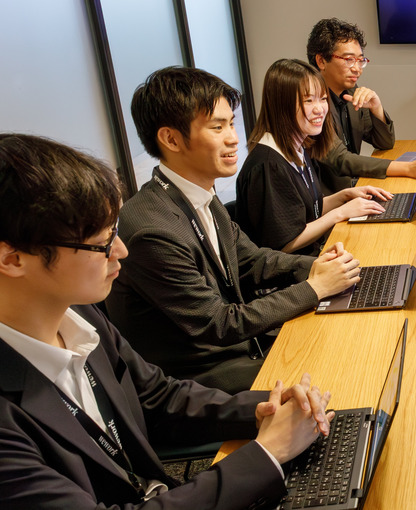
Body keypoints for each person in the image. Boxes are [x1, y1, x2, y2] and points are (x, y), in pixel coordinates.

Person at [0, 133, 334, 509]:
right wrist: (267, 452)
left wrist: (262, 410)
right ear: (12, 259)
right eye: (102, 242)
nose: (121, 250)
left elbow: (158, 396)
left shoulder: (76, 313)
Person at [106, 66, 362, 394]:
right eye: (217, 127)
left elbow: (254, 261)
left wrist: (317, 267)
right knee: (347, 372)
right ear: (170, 138)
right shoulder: (151, 229)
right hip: (204, 379)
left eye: (231, 124)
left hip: (240, 350)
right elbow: (220, 324)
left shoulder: (200, 195)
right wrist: (315, 288)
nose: (233, 138)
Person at [236, 58, 391, 257]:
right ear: (280, 105)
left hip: (311, 261)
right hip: (290, 278)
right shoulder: (269, 164)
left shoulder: (298, 146)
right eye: (309, 100)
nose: (320, 109)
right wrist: (341, 212)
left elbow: (308, 209)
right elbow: (283, 244)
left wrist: (345, 196)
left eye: (323, 99)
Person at [307, 18, 416, 190]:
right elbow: (341, 160)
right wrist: (406, 168)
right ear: (321, 61)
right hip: (329, 200)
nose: (357, 68)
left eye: (360, 60)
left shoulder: (351, 93)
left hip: (357, 188)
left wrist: (376, 108)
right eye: (349, 60)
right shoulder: (311, 104)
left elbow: (384, 143)